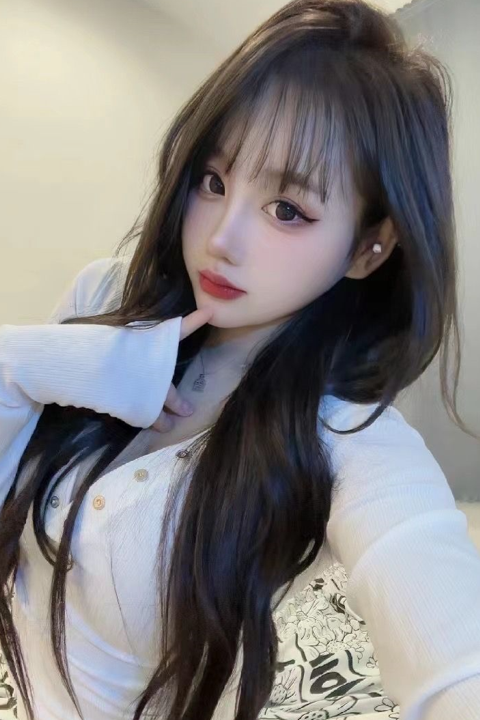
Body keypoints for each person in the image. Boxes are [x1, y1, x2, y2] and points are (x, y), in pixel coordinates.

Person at [1, 0, 480, 718]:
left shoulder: (350, 441)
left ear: (368, 248)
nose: (221, 239)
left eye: (288, 210)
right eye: (214, 181)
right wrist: (24, 363)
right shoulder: (104, 296)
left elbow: (457, 664)